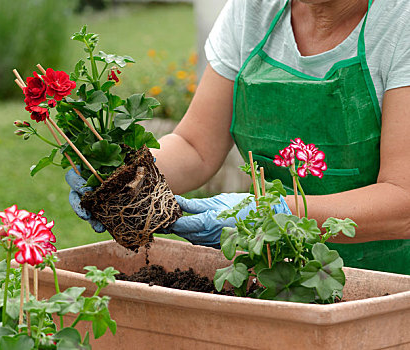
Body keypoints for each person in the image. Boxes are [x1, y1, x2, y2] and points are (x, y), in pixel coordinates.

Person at [68, 0, 410, 274]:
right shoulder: (254, 10)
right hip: (277, 273)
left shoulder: (399, 22)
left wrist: (274, 215)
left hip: (389, 286)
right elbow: (196, 146)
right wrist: (123, 179)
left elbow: (403, 201)